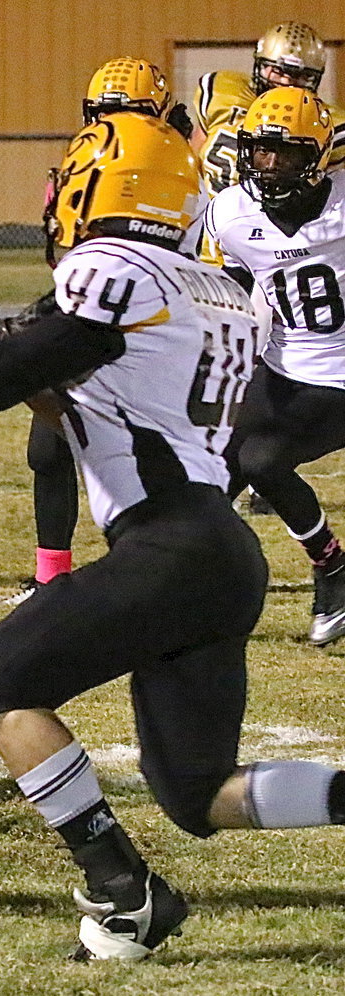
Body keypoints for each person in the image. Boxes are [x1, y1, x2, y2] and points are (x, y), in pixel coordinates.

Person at [0, 111, 345, 962]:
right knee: (196, 793)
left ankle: (124, 891)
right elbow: (88, 404)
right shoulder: (212, 289)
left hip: (168, 546)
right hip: (221, 553)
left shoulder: (112, 269)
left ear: (93, 188)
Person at [14, 57, 190, 602]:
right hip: (91, 310)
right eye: (106, 111)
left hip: (154, 326)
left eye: (130, 111)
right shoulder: (85, 164)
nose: (115, 123)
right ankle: (51, 574)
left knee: (153, 455)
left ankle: (159, 566)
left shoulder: (180, 171)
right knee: (49, 448)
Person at [206, 88, 345, 646]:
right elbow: (230, 288)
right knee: (209, 476)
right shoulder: (231, 214)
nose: (269, 164)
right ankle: (197, 592)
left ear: (318, 156)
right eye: (261, 150)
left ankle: (331, 567)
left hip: (340, 377)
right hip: (283, 366)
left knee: (262, 461)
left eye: (286, 153)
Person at [191, 21, 344, 197]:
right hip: (210, 205)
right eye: (278, 71)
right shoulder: (222, 92)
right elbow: (194, 156)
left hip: (275, 212)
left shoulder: (326, 123)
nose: (286, 82)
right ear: (260, 65)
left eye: (300, 75)